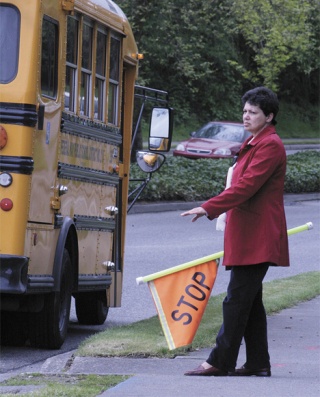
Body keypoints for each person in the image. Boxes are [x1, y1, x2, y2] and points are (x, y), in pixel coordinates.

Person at [181, 86, 289, 377]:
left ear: (269, 116)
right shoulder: (254, 142)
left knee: (235, 301)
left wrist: (208, 207)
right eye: (244, 110)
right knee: (250, 302)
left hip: (259, 236)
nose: (246, 116)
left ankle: (220, 360)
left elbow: (245, 187)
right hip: (247, 234)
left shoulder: (270, 145)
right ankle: (258, 363)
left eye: (253, 112)